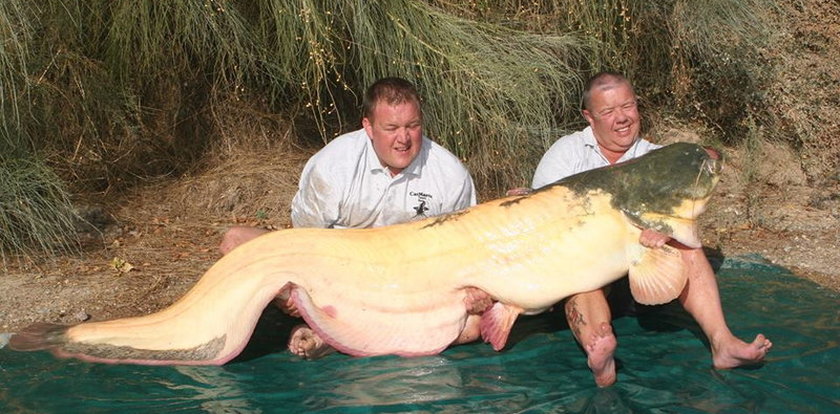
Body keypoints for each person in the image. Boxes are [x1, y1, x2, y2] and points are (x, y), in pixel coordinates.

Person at [527, 71, 772, 387]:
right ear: (589, 117)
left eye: (627, 106)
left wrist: (669, 227)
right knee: (582, 278)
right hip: (584, 269)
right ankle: (599, 352)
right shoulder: (566, 153)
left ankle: (722, 343)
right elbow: (542, 224)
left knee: (687, 243)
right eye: (608, 112)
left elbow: (707, 160)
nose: (621, 118)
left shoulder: (654, 157)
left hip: (641, 274)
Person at [219, 77, 485, 358]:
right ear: (368, 127)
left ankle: (330, 337)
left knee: (472, 326)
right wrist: (292, 292)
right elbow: (305, 243)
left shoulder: (450, 174)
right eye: (391, 128)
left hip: (408, 284)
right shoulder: (333, 165)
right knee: (236, 241)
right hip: (334, 274)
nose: (403, 139)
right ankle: (326, 323)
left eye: (412, 126)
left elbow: (464, 252)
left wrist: (474, 291)